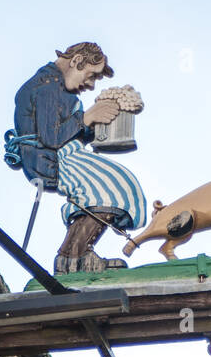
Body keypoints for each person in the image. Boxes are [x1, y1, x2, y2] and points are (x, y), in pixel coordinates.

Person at [10, 42, 147, 274]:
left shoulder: (59, 88)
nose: (90, 84)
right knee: (109, 184)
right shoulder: (48, 87)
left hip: (62, 154)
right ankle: (74, 255)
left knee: (113, 180)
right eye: (91, 75)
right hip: (48, 160)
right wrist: (87, 117)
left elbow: (68, 131)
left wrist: (96, 125)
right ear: (76, 62)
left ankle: (75, 254)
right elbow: (52, 137)